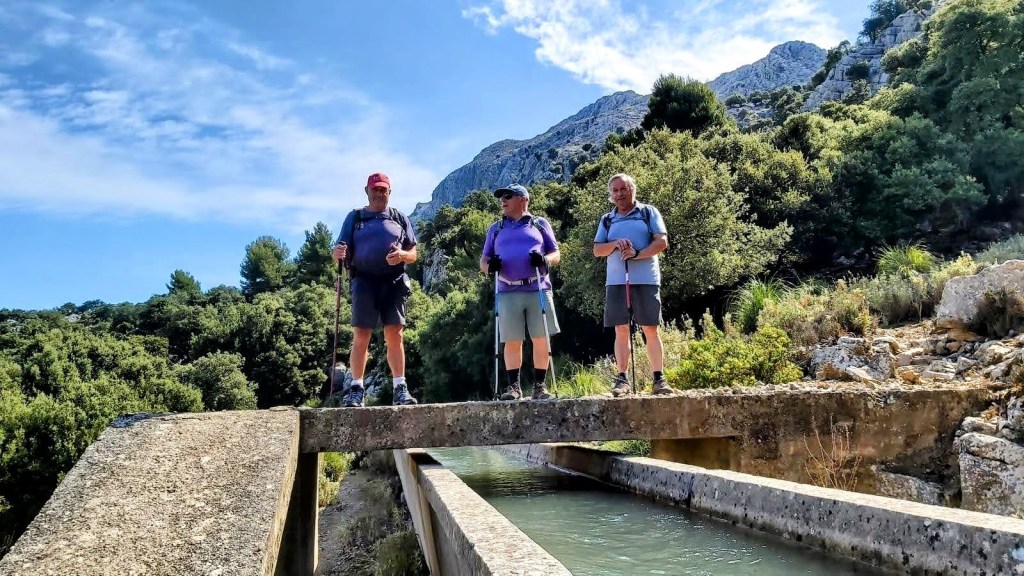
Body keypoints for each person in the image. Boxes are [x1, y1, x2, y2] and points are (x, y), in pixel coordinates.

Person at [332, 172, 419, 407]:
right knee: (361, 336)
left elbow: (413, 254)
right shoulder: (355, 217)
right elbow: (339, 251)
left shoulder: (400, 218)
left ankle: (400, 388)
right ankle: (357, 389)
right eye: (375, 189)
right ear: (367, 191)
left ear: (389, 192)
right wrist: (337, 254)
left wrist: (402, 255)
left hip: (394, 281)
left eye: (383, 189)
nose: (379, 193)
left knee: (395, 335)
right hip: (364, 281)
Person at [592, 173, 672, 396]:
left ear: (632, 190)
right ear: (611, 195)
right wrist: (616, 244)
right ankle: (622, 379)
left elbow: (661, 242)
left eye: (623, 189)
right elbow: (598, 250)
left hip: (646, 279)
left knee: (650, 328)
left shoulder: (648, 212)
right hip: (616, 281)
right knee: (621, 329)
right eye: (615, 191)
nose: (619, 194)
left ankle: (659, 378)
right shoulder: (607, 219)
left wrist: (637, 254)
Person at [479, 184, 561, 401]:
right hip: (507, 289)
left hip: (538, 287)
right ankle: (513, 387)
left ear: (523, 199)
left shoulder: (540, 224)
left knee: (541, 338)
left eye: (508, 196)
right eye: (501, 197)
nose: (502, 201)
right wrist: (490, 267)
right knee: (512, 339)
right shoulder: (495, 228)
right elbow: (484, 260)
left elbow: (555, 253)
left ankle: (540, 386)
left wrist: (545, 260)